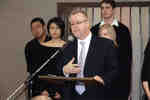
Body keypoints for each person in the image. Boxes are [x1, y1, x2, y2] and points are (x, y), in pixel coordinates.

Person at [58, 8, 119, 100]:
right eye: (72, 24)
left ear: (88, 24)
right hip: (72, 96)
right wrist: (64, 70)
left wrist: (103, 79)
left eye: (78, 23)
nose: (74, 26)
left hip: (97, 94)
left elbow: (114, 69)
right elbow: (58, 70)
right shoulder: (67, 47)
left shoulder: (105, 44)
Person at [91, 0, 132, 99]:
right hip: (99, 80)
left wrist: (127, 86)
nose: (104, 10)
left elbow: (127, 60)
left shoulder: (123, 30)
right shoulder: (93, 30)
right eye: (102, 8)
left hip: (119, 81)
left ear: (113, 10)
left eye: (107, 7)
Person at [25, 17, 50, 99]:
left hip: (52, 85)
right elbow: (31, 70)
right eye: (33, 28)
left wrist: (49, 89)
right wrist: (40, 89)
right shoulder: (29, 46)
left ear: (44, 27)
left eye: (38, 27)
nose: (36, 30)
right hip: (37, 86)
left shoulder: (53, 42)